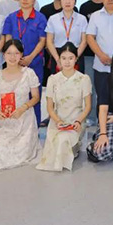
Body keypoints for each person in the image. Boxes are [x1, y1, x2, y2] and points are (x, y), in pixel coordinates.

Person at [0, 39, 41, 173]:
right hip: (4, 119)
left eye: (16, 53)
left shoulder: (29, 73)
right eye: (9, 53)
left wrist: (23, 108)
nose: (12, 57)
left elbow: (36, 97)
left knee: (21, 152)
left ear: (21, 55)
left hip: (24, 119)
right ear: (3, 55)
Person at [37, 42, 92, 172]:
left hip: (76, 120)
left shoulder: (84, 79)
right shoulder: (53, 79)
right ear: (59, 59)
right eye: (64, 58)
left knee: (63, 140)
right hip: (57, 120)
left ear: (76, 59)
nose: (67, 62)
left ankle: (73, 149)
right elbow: (50, 107)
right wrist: (58, 121)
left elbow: (88, 106)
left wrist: (79, 121)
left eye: (71, 58)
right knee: (56, 142)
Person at [2, 0, 47, 124]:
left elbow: (42, 41)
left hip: (34, 62)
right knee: (14, 95)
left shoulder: (40, 18)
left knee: (34, 96)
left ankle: (35, 126)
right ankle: (12, 124)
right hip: (14, 63)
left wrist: (30, 58)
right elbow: (8, 39)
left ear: (34, 0)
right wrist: (13, 58)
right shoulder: (11, 17)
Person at [79, 0, 105, 127]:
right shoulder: (85, 7)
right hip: (89, 53)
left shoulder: (109, 6)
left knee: (104, 86)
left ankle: (105, 116)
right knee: (90, 86)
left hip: (106, 53)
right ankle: (91, 117)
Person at [45, 0, 88, 74]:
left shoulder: (82, 19)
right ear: (60, 1)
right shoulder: (53, 19)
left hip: (77, 54)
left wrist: (75, 58)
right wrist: (58, 59)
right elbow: (49, 41)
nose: (68, 2)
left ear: (75, 2)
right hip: (57, 55)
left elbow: (84, 41)